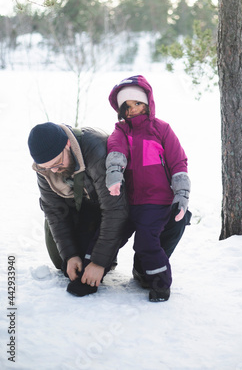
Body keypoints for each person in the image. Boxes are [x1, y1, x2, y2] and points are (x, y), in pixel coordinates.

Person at [28, 122, 191, 298]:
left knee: (173, 217)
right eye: (46, 167)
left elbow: (116, 209)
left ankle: (143, 268)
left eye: (57, 163)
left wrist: (98, 261)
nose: (53, 170)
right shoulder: (45, 167)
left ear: (68, 144)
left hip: (126, 202)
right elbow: (54, 211)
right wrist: (70, 255)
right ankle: (96, 251)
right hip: (86, 208)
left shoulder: (96, 149)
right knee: (68, 265)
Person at [106, 75, 191, 302]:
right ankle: (94, 270)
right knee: (109, 236)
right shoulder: (121, 131)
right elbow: (116, 151)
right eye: (127, 106)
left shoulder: (161, 129)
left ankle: (160, 285)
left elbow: (178, 162)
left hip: (156, 201)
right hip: (129, 201)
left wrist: (181, 193)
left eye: (137, 104)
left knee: (146, 242)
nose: (132, 110)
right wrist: (114, 175)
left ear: (147, 103)